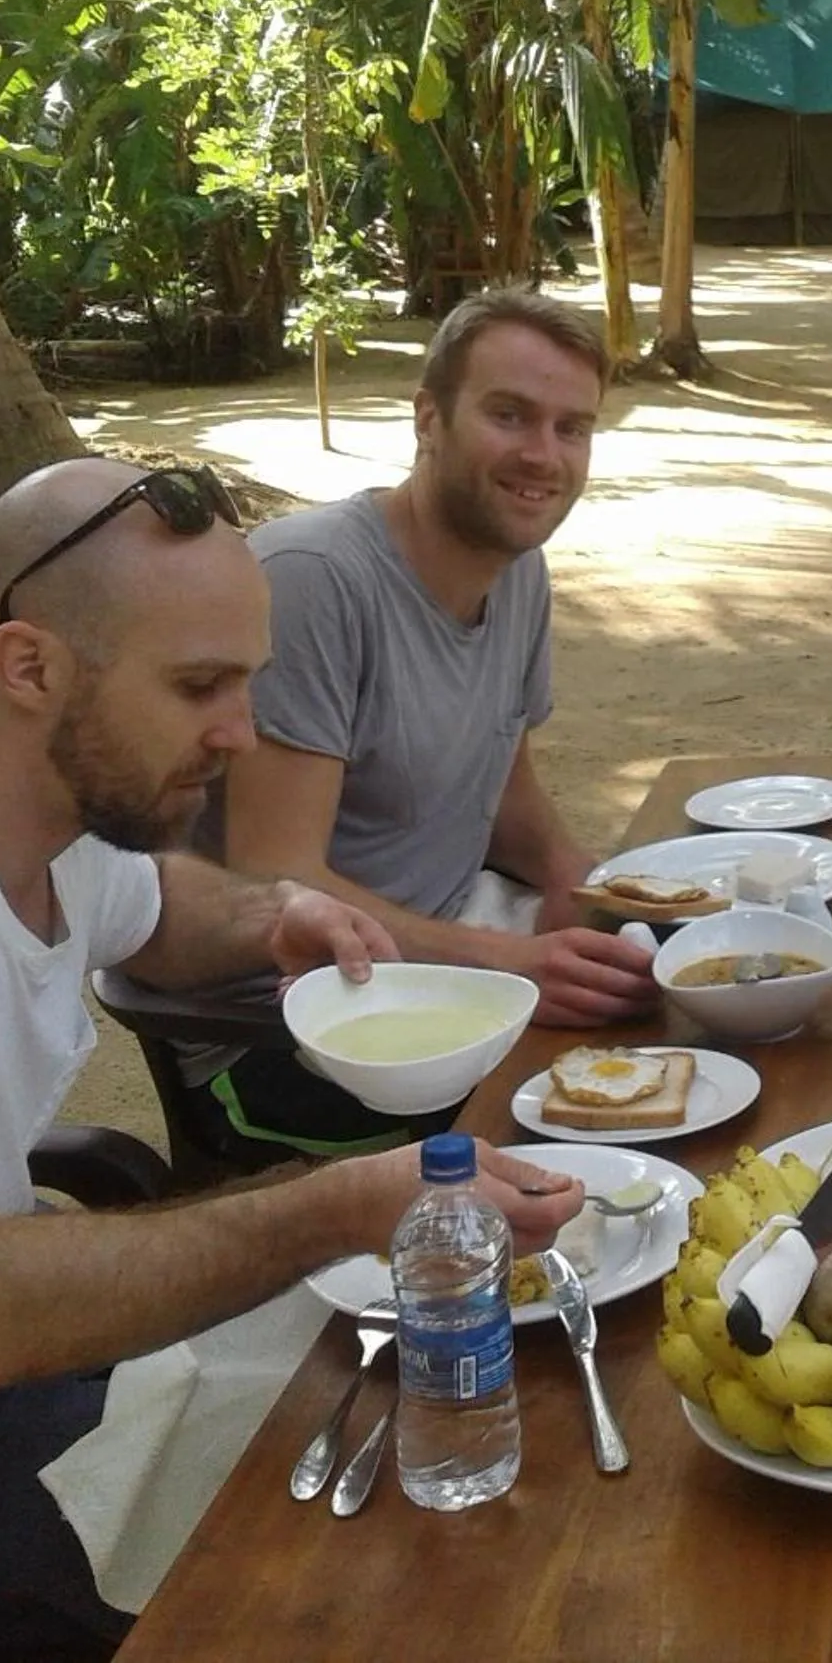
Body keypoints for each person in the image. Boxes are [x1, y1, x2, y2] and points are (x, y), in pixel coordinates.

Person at [0, 457, 586, 1657]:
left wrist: (276, 910)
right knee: (355, 1571)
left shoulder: (48, 817)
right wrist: (328, 1206)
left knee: (395, 1403)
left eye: (247, 682)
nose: (240, 732)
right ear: (30, 668)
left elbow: (156, 906)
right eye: (197, 686)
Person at [166, 286, 657, 1167]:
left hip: (441, 951)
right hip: (299, 1028)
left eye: (571, 428)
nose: (543, 456)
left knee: (690, 1014)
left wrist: (581, 886)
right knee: (614, 1150)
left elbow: (508, 787)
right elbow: (279, 876)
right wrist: (506, 960)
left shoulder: (517, 569)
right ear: (428, 418)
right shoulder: (315, 581)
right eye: (510, 415)